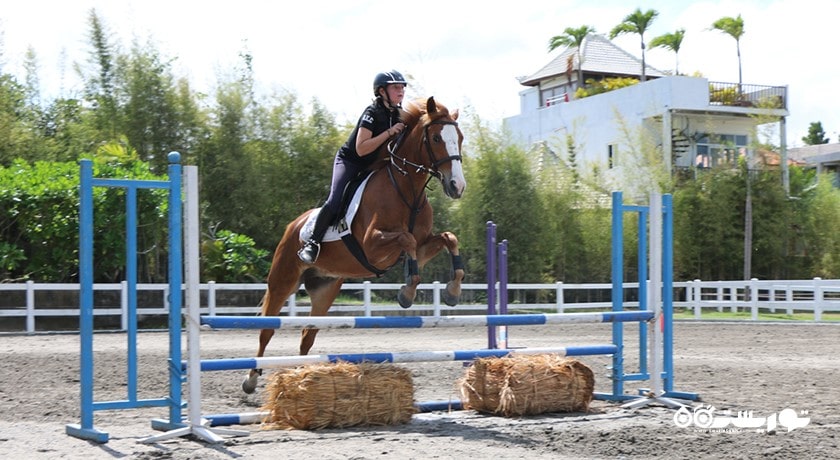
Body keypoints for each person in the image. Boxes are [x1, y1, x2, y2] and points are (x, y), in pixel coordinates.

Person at [297, 70, 408, 264]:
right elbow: (362, 148)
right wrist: (390, 132)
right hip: (351, 161)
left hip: (374, 166)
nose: (401, 91)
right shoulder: (371, 113)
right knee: (335, 199)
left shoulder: (399, 114)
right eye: (395, 87)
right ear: (382, 92)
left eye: (402, 87)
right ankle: (313, 243)